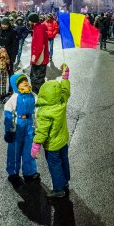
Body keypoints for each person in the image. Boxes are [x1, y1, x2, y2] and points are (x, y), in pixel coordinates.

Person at [31, 64, 71, 198]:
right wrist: (65, 75)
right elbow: (65, 90)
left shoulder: (44, 112)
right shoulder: (62, 102)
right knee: (64, 160)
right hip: (63, 141)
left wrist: (35, 147)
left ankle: (59, 189)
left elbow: (41, 132)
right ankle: (65, 182)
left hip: (52, 146)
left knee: (55, 165)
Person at [3, 74, 39, 187]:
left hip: (30, 124)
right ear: (16, 85)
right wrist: (8, 129)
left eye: (25, 80)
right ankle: (13, 172)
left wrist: (38, 123)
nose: (25, 83)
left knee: (29, 148)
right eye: (21, 81)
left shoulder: (33, 95)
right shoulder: (14, 97)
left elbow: (38, 109)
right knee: (14, 149)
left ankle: (30, 172)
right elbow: (8, 113)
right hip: (18, 125)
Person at [0, 18, 19, 90]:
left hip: (9, 55)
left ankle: (11, 88)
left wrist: (13, 57)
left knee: (10, 72)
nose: (3, 26)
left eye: (5, 24)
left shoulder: (13, 32)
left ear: (8, 24)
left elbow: (15, 46)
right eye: (2, 24)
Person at [28, 13, 49, 94]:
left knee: (37, 79)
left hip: (39, 59)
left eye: (29, 20)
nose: (28, 22)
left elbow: (39, 47)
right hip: (40, 58)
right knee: (37, 79)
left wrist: (34, 59)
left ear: (32, 20)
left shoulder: (39, 29)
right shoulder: (38, 27)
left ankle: (39, 97)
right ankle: (38, 95)